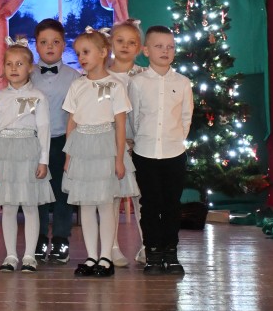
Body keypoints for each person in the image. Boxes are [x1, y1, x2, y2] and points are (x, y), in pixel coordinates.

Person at [62, 27, 133, 278]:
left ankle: (106, 257)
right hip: (82, 148)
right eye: (78, 53)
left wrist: (119, 158)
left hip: (106, 148)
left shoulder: (115, 85)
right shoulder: (77, 85)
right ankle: (91, 256)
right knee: (86, 205)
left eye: (86, 52)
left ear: (103, 53)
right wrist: (69, 157)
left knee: (105, 204)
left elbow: (120, 124)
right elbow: (72, 122)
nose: (81, 57)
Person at [128, 25, 193, 275]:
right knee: (150, 205)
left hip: (174, 153)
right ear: (146, 51)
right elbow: (134, 117)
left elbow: (186, 117)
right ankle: (153, 253)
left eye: (170, 47)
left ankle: (171, 253)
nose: (165, 51)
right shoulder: (138, 83)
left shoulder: (183, 83)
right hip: (145, 153)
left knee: (171, 205)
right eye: (159, 46)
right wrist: (141, 141)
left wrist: (175, 140)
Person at [0, 39, 54, 273]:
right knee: (9, 206)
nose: (14, 68)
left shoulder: (38, 96)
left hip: (29, 153)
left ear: (30, 68)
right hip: (5, 153)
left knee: (30, 206)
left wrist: (43, 160)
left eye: (19, 64)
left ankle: (29, 256)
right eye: (9, 64)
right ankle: (11, 255)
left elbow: (43, 128)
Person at [31, 18, 80, 264]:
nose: (50, 47)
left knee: (63, 192)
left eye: (56, 42)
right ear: (36, 45)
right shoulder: (26, 74)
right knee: (38, 192)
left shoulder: (75, 77)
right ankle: (38, 238)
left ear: (64, 45)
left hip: (63, 140)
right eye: (44, 42)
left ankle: (61, 238)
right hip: (33, 143)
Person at [107, 19, 146, 266]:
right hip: (112, 146)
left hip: (141, 146)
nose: (125, 46)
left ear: (139, 47)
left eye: (131, 42)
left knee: (142, 197)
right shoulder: (102, 77)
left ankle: (146, 246)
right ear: (111, 43)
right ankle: (111, 247)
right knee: (112, 196)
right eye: (120, 41)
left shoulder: (145, 75)